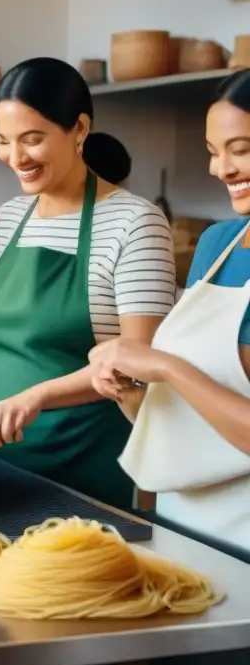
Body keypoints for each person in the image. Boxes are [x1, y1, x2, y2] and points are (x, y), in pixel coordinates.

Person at [0, 57, 176, 510]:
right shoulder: (13, 216)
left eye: (32, 139)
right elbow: (12, 341)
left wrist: (35, 397)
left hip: (91, 469)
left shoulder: (136, 222)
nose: (16, 158)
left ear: (79, 128)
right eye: (2, 141)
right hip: (3, 462)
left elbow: (137, 362)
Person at [90, 68, 250, 548]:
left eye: (239, 149)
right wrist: (131, 390)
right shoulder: (218, 243)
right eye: (212, 151)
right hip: (181, 526)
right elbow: (181, 416)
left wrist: (162, 364)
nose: (220, 169)